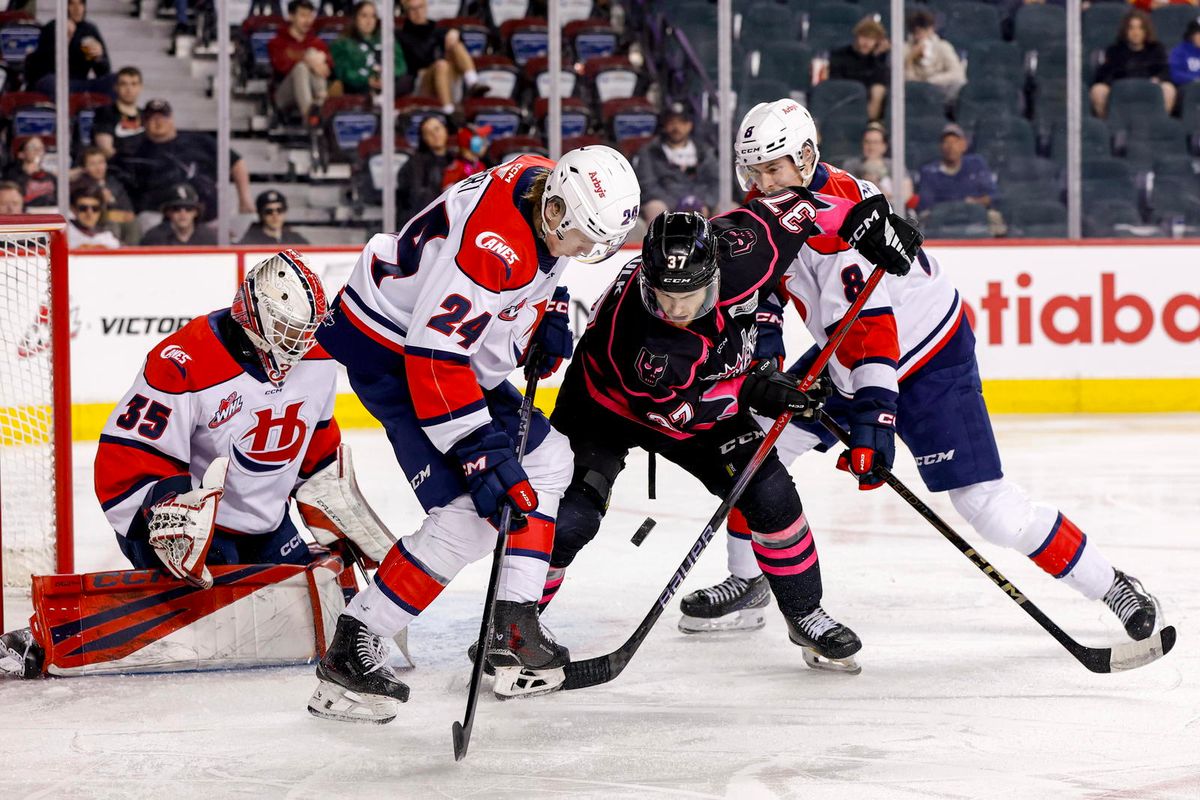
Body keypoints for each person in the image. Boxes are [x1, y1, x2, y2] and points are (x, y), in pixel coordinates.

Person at [677, 99, 1163, 646]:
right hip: (845, 355)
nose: (764, 184)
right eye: (755, 171)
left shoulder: (847, 215)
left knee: (990, 509)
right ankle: (749, 582)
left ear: (808, 156)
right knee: (756, 449)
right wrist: (764, 363)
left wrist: (873, 424)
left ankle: (1113, 586)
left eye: (775, 168)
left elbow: (876, 332)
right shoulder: (768, 212)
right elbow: (762, 295)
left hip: (927, 357)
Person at [306, 145, 641, 722]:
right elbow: (433, 357)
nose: (586, 251)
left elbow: (542, 261)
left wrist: (551, 306)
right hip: (398, 357)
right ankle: (355, 646)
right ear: (558, 209)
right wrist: (479, 454)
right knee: (472, 515)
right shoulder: (497, 247)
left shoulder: (544, 186)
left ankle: (511, 629)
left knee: (551, 462)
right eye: (583, 237)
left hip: (451, 355)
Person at [530, 194, 915, 693]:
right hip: (606, 405)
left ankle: (806, 614)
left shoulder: (742, 247)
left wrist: (865, 222)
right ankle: (515, 626)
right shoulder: (649, 342)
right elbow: (684, 412)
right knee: (571, 518)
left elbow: (798, 208)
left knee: (771, 495)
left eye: (688, 296)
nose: (676, 310)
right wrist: (759, 388)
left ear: (716, 268)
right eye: (664, 297)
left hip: (706, 398)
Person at [0, 252, 396, 679]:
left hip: (267, 524)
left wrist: (332, 507)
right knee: (213, 622)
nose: (298, 345)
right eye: (286, 330)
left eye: (305, 331)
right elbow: (129, 457)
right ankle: (37, 640)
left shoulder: (316, 356)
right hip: (194, 530)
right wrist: (163, 518)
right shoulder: (185, 360)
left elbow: (315, 438)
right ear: (253, 316)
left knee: (303, 604)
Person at [122, 99, 254, 217]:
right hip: (157, 218)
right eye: (152, 118)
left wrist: (244, 198)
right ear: (144, 122)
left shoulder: (200, 141)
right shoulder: (135, 151)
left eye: (163, 117)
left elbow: (236, 162)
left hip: (208, 214)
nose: (158, 121)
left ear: (172, 118)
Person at [634, 101, 720, 222]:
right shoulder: (650, 151)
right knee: (655, 208)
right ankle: (659, 241)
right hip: (666, 204)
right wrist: (678, 205)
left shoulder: (704, 151)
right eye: (672, 122)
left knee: (729, 208)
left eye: (682, 122)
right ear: (665, 125)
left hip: (702, 204)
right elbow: (647, 186)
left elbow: (716, 181)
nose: (677, 127)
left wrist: (704, 203)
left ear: (690, 125)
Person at [398, 0, 484, 114]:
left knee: (456, 45)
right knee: (441, 65)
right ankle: (449, 112)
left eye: (421, 7)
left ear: (426, 7)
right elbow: (416, 60)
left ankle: (473, 82)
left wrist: (455, 33)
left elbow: (458, 44)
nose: (418, 12)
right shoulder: (401, 36)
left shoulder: (437, 29)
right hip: (422, 81)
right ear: (406, 12)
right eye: (413, 9)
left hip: (445, 76)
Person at [1091, 10, 1174, 118]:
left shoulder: (1157, 49)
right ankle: (1108, 129)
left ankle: (1159, 125)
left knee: (1168, 89)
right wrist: (1114, 83)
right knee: (1098, 90)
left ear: (1146, 31)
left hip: (1149, 89)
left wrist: (1157, 79)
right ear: (1125, 31)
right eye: (1131, 28)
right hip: (1121, 90)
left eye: (1140, 28)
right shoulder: (1114, 50)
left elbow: (1165, 71)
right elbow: (1103, 75)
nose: (1136, 32)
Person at [24, 0, 114, 98]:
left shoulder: (89, 30)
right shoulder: (52, 27)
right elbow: (37, 67)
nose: (77, 9)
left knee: (116, 80)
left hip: (78, 84)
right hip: (52, 81)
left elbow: (104, 73)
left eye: (81, 4)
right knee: (51, 82)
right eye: (72, 4)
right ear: (65, 7)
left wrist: (99, 58)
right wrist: (65, 40)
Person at [268, 0, 333, 123]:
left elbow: (328, 67)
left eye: (310, 16)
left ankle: (319, 108)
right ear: (291, 17)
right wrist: (307, 60)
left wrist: (320, 63)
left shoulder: (317, 42)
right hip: (283, 95)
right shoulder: (277, 42)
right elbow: (282, 66)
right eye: (303, 15)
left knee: (316, 58)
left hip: (314, 89)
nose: (307, 20)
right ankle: (309, 115)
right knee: (302, 67)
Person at [329, 0, 410, 97]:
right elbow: (343, 71)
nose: (369, 20)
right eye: (364, 16)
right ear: (355, 18)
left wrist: (387, 76)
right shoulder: (341, 43)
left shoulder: (387, 39)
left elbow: (400, 65)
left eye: (373, 16)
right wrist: (367, 79)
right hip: (358, 88)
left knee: (406, 81)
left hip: (389, 85)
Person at [916, 123, 997, 213]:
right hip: (941, 222)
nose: (951, 147)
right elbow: (925, 206)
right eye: (946, 142)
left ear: (964, 145)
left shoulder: (976, 164)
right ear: (940, 147)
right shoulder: (929, 172)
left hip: (975, 219)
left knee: (995, 217)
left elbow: (992, 195)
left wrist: (975, 202)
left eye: (955, 142)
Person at [829, 16, 891, 122]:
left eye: (872, 38)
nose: (866, 42)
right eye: (863, 36)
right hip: (843, 105)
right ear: (856, 37)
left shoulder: (879, 61)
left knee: (878, 90)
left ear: (877, 41)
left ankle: (871, 123)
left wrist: (878, 56)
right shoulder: (840, 56)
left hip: (868, 110)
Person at [74, 145, 138, 244]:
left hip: (119, 219)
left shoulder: (114, 183)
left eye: (101, 162)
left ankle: (132, 255)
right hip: (94, 222)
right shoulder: (81, 186)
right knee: (111, 225)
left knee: (133, 225)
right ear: (84, 168)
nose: (98, 168)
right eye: (92, 164)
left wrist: (112, 203)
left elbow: (128, 212)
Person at [842, 122, 914, 210]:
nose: (871, 147)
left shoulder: (895, 165)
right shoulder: (851, 165)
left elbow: (906, 193)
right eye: (867, 142)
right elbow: (845, 193)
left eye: (875, 142)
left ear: (884, 146)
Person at [395, 114, 452, 224]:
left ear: (445, 130)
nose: (435, 135)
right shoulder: (415, 164)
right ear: (424, 138)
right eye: (428, 132)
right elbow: (416, 199)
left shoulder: (456, 159)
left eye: (437, 129)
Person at [904, 9, 966, 103]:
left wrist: (930, 82)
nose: (919, 36)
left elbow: (958, 75)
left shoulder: (943, 47)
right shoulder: (905, 49)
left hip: (940, 97)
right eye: (916, 33)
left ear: (931, 30)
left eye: (923, 31)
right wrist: (910, 59)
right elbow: (905, 83)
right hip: (914, 99)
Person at [92, 66, 145, 160]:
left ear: (140, 87)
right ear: (116, 87)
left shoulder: (146, 115)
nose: (129, 89)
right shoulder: (104, 113)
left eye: (134, 84)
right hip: (118, 167)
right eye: (124, 84)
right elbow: (105, 149)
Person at [140, 182, 217, 246]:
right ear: (168, 212)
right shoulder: (153, 238)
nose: (182, 213)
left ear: (196, 212)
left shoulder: (209, 238)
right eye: (176, 209)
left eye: (188, 209)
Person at [239, 189, 310, 245]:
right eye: (269, 211)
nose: (275, 215)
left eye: (279, 210)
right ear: (261, 215)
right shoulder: (249, 242)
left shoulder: (296, 240)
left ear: (285, 212)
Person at [2, 136, 57, 209]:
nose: (37, 150)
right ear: (21, 154)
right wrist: (27, 174)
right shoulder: (12, 175)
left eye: (41, 148)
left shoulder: (50, 176)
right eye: (32, 147)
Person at [66, 184, 120, 249]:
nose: (89, 213)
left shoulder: (109, 237)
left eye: (95, 208)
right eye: (83, 208)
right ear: (73, 209)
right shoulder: (65, 233)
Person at [440, 122, 491, 187]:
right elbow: (446, 192)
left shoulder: (480, 165)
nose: (485, 144)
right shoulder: (457, 167)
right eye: (481, 139)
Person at [1169, 16, 1200, 87]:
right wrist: (1195, 79)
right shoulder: (1179, 51)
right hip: (1189, 88)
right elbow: (1175, 74)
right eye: (1198, 33)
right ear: (1191, 35)